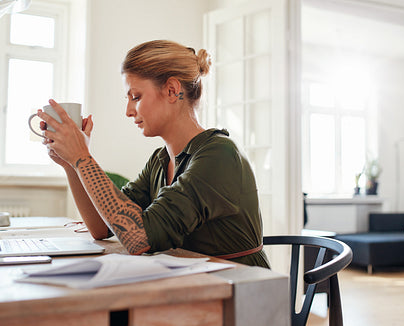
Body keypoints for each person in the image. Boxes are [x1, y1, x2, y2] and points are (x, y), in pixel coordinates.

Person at [38, 40, 270, 268]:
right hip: (193, 285)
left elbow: (138, 238)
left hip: (241, 289)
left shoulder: (219, 154)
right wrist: (70, 163)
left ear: (172, 90)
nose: (128, 111)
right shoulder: (160, 161)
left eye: (136, 97)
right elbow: (101, 228)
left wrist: (82, 157)